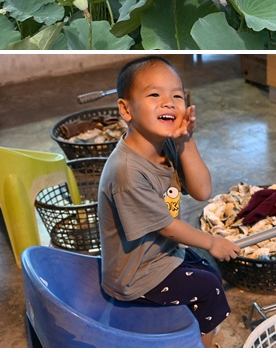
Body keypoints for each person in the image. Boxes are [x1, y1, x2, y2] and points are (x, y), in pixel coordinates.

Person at [98, 56, 239, 348]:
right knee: (211, 288)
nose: (169, 103)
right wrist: (212, 242)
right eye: (154, 95)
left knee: (208, 269)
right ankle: (199, 345)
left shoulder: (168, 146)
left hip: (161, 255)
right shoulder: (126, 172)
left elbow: (202, 190)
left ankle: (189, 330)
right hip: (135, 276)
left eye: (177, 95)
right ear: (126, 109)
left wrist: (186, 140)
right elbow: (167, 226)